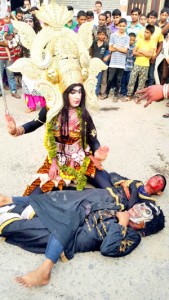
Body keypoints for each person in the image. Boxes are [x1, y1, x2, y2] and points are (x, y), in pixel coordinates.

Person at [0, 184, 165, 287]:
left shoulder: (133, 236)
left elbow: (109, 248)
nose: (138, 209)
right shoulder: (121, 207)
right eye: (141, 206)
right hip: (75, 215)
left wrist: (122, 223)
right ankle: (11, 200)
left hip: (74, 234)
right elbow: (95, 203)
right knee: (52, 202)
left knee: (14, 225)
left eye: (144, 212)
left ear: (145, 225)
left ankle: (45, 270)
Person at [6, 83, 110, 194]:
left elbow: (93, 139)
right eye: (73, 92)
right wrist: (15, 130)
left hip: (81, 158)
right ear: (64, 93)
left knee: (110, 189)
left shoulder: (84, 113)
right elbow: (34, 124)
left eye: (79, 92)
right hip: (56, 160)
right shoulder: (51, 110)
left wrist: (98, 152)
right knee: (32, 195)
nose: (77, 96)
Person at [124, 24, 156, 102]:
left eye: (147, 32)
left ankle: (138, 97)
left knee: (141, 82)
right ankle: (129, 95)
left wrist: (141, 51)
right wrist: (145, 53)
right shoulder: (140, 41)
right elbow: (134, 52)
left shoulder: (152, 43)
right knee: (132, 79)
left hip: (145, 65)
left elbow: (150, 55)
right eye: (145, 32)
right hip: (137, 64)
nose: (145, 34)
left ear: (151, 34)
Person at [21, 13, 45, 113]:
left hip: (39, 63)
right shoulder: (20, 34)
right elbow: (12, 44)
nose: (28, 23)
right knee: (27, 83)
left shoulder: (40, 34)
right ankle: (31, 105)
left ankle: (45, 104)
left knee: (41, 83)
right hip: (27, 63)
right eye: (26, 21)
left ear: (34, 23)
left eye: (30, 21)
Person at [137, 11, 164, 86]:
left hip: (152, 57)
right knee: (139, 75)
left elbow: (160, 45)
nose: (152, 20)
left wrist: (155, 57)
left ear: (156, 19)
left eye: (154, 18)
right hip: (141, 56)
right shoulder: (142, 30)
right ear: (148, 19)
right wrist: (140, 53)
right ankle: (138, 92)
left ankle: (149, 93)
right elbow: (138, 44)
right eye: (151, 18)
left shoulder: (159, 30)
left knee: (151, 75)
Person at [105, 18, 130, 100]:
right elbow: (110, 49)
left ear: (126, 26)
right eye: (120, 26)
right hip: (113, 61)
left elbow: (125, 50)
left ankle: (116, 95)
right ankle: (106, 93)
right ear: (118, 26)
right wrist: (119, 48)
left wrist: (115, 46)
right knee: (110, 78)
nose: (122, 27)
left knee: (119, 79)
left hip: (121, 62)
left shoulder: (127, 37)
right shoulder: (113, 35)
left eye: (123, 26)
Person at [90, 27, 110, 96]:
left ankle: (100, 92)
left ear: (105, 36)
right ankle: (93, 92)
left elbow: (108, 53)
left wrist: (107, 56)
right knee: (93, 78)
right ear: (97, 35)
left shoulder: (106, 44)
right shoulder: (93, 42)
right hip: (93, 63)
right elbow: (91, 51)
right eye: (100, 34)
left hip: (101, 64)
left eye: (103, 34)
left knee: (101, 78)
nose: (101, 36)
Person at [120, 32, 136, 97]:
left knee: (129, 81)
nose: (131, 41)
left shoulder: (134, 48)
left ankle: (128, 93)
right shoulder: (124, 47)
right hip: (123, 67)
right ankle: (122, 92)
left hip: (131, 67)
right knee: (122, 80)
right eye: (130, 40)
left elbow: (134, 58)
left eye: (133, 40)